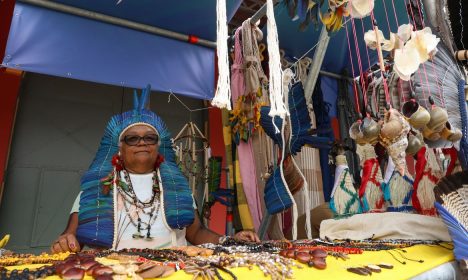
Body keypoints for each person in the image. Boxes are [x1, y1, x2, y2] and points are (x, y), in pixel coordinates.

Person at [51, 87, 259, 253]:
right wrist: (66, 242)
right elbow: (72, 237)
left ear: (159, 146)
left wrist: (229, 240)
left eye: (149, 137)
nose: (142, 142)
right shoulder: (96, 189)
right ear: (120, 148)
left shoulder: (178, 188)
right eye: (132, 138)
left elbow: (197, 233)